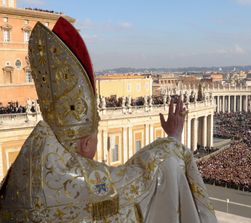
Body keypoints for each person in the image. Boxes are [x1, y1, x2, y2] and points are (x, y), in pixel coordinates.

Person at [0, 17, 217, 223]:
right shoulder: (83, 183)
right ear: (85, 144)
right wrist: (174, 138)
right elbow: (146, 174)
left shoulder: (23, 174)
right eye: (96, 134)